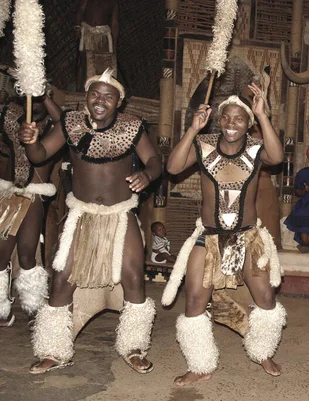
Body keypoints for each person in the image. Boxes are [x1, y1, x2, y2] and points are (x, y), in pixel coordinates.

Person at [19, 68, 161, 374]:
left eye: (108, 97)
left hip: (120, 214)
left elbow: (155, 161)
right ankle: (54, 350)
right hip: (81, 214)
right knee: (62, 277)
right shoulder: (70, 124)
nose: (100, 101)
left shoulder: (132, 126)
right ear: (87, 96)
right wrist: (30, 141)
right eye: (95, 94)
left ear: (118, 102)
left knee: (134, 275)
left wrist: (146, 174)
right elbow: (40, 154)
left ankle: (134, 346)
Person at [161, 83, 286, 386]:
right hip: (209, 237)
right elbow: (173, 167)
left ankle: (262, 351)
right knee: (193, 301)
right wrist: (192, 128)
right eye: (226, 118)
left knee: (265, 297)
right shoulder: (203, 146)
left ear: (248, 124)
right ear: (219, 120)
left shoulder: (257, 149)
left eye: (239, 119)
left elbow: (278, 157)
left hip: (248, 237)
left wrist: (261, 114)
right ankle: (200, 364)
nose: (231, 124)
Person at [0, 95, 61, 328]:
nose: (33, 103)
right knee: (0, 254)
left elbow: (62, 119)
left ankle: (34, 308)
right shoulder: (12, 116)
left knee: (27, 254)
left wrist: (43, 94)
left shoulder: (53, 125)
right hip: (9, 193)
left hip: (34, 195)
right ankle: (2, 310)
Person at [76, 0, 119, 90]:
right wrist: (78, 27)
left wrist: (114, 42)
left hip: (103, 34)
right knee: (83, 60)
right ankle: (79, 89)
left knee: (102, 62)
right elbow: (80, 10)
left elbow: (115, 23)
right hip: (87, 30)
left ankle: (98, 88)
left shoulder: (113, 2)